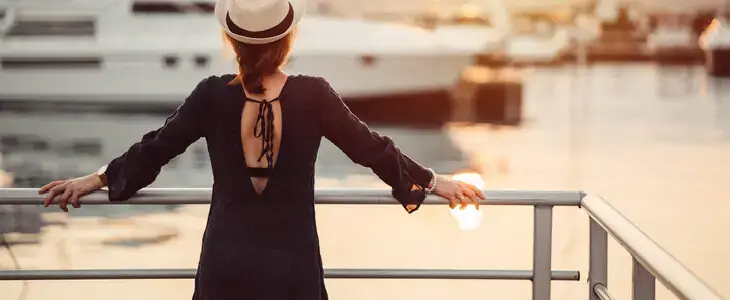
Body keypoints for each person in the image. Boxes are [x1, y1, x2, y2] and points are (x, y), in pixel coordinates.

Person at [37, 0, 485, 298]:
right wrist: (433, 181)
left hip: (225, 267)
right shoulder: (314, 95)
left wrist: (94, 179)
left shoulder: (211, 95)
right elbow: (371, 149)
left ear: (231, 41)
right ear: (287, 38)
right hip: (293, 272)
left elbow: (156, 149)